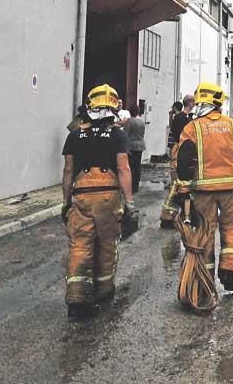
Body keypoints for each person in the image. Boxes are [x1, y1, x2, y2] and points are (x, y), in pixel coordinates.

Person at [61, 84, 136, 320]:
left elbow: (68, 171)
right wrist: (130, 202)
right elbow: (123, 168)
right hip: (108, 196)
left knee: (80, 245)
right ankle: (103, 292)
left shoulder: (75, 135)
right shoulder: (117, 135)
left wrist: (65, 202)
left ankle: (77, 299)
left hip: (81, 194)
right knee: (106, 243)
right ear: (114, 105)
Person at [173, 82, 233, 291]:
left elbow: (183, 164)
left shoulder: (191, 128)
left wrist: (183, 192)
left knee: (204, 234)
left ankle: (204, 280)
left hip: (202, 194)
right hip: (232, 192)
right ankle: (229, 270)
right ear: (218, 103)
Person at [161, 95, 195, 227]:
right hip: (179, 151)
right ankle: (167, 216)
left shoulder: (181, 118)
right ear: (190, 103)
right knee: (176, 184)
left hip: (179, 150)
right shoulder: (183, 119)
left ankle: (174, 214)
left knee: (179, 184)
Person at [124, 105, 146, 193]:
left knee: (131, 166)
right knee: (137, 166)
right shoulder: (141, 122)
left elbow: (126, 133)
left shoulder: (129, 121)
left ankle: (130, 186)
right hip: (140, 145)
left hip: (131, 145)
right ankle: (136, 186)